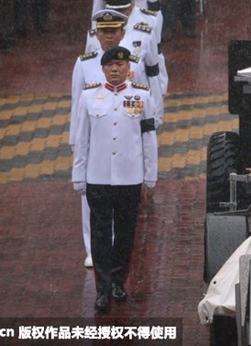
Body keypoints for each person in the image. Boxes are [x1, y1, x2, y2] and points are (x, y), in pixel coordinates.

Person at [72, 46, 158, 313]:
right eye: (110, 65)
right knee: (99, 234)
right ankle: (102, 288)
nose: (115, 69)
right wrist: (78, 175)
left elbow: (148, 139)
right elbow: (82, 139)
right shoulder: (89, 97)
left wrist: (150, 177)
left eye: (120, 66)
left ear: (128, 69)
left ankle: (119, 281)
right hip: (97, 176)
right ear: (103, 69)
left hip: (129, 177)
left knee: (124, 233)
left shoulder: (141, 95)